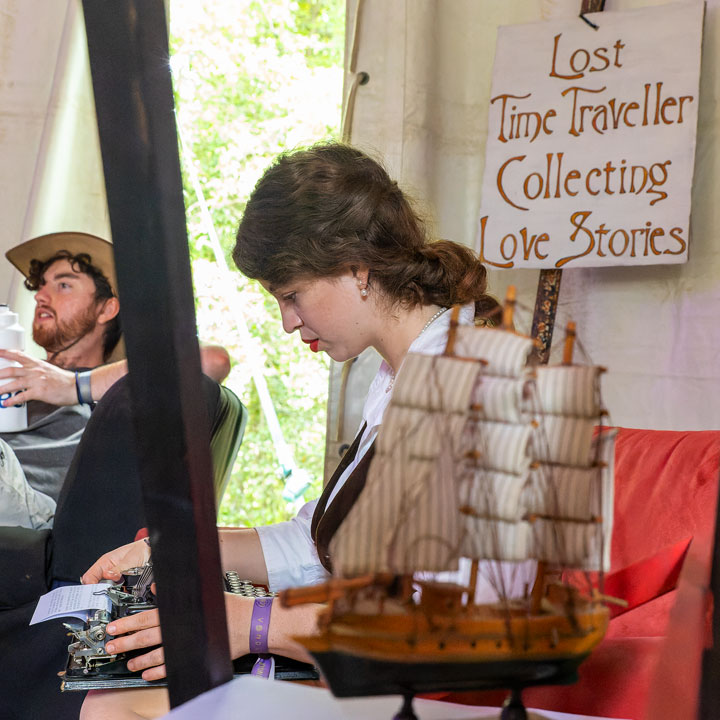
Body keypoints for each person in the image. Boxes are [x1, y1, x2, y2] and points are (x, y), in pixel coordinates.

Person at [79, 142, 498, 719]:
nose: (287, 323)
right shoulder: (402, 374)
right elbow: (313, 544)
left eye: (292, 295)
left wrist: (253, 624)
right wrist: (173, 551)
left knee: (115, 706)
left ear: (356, 267)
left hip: (440, 693)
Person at [0, 231, 231, 528]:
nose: (41, 296)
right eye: (41, 286)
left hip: (31, 511)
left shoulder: (118, 393)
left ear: (106, 308)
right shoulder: (18, 374)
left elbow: (213, 361)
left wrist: (72, 387)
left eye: (64, 285)